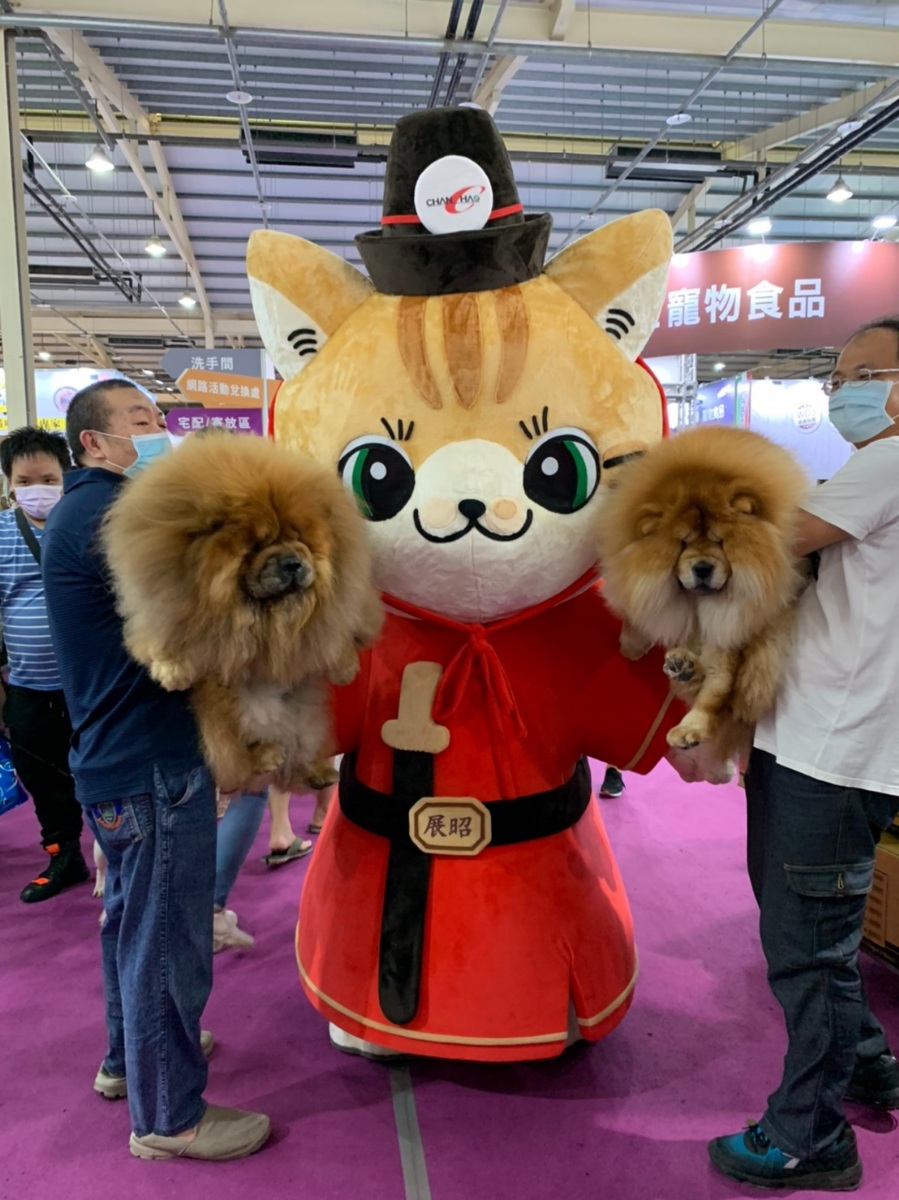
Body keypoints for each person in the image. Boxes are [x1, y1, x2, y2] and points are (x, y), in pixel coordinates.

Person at [41, 377, 270, 1162]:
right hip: (150, 758)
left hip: (113, 755)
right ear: (93, 442)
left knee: (129, 925)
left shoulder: (79, 512)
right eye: (140, 419)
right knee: (165, 939)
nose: (157, 430)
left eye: (157, 417)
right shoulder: (115, 516)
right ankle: (169, 1115)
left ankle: (126, 1060)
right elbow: (196, 623)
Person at [709, 318, 899, 1192]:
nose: (842, 391)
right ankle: (866, 1063)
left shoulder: (888, 461)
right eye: (837, 377)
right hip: (809, 738)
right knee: (801, 925)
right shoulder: (870, 467)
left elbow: (765, 543)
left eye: (865, 375)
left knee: (807, 950)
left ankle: (809, 1135)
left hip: (836, 751)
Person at [0, 427, 88, 902]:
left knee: (101, 770)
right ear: (10, 484)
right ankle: (64, 854)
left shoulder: (87, 523)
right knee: (43, 776)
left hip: (91, 684)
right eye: (25, 481)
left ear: (66, 476)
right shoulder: (1, 534)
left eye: (49, 479)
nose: (38, 489)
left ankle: (119, 856)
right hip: (28, 686)